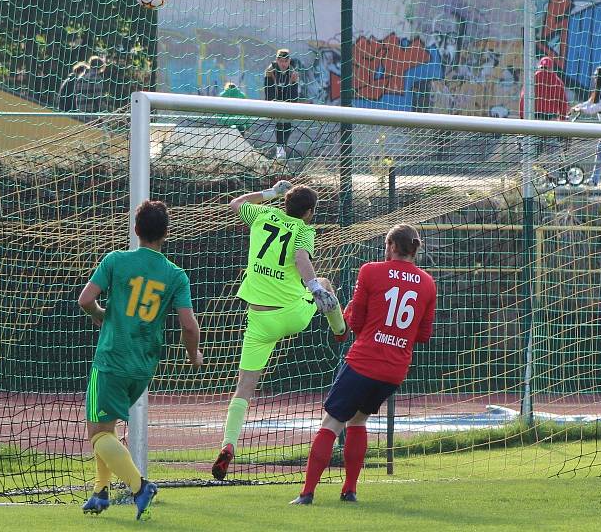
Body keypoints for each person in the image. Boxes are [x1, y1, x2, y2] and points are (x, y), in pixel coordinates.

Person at [290, 223, 436, 505]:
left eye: (386, 245)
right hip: (394, 371)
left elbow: (354, 323)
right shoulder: (428, 283)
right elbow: (423, 335)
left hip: (364, 362)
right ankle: (349, 490)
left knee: (332, 422)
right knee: (358, 420)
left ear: (392, 246)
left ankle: (306, 493)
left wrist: (348, 316)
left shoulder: (371, 270)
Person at [212, 181, 345, 481]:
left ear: (283, 204)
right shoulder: (304, 229)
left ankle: (228, 444)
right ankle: (340, 329)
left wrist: (271, 192)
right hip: (290, 314)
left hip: (258, 320)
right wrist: (313, 286)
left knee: (244, 388)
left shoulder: (261, 216)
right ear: (309, 212)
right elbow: (300, 257)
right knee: (324, 283)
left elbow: (235, 202)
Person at [78, 200, 203, 520]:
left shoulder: (116, 260)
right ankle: (100, 492)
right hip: (143, 366)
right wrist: (193, 355)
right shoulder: (175, 274)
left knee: (98, 434)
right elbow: (189, 326)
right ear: (166, 234)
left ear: (136, 230)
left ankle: (139, 486)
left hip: (112, 359)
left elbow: (86, 300)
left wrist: (100, 315)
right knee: (109, 428)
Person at [519, 56, 569, 158]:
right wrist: (562, 120)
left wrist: (522, 118)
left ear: (540, 66)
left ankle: (529, 172)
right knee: (552, 155)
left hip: (534, 121)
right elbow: (563, 104)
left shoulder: (532, 79)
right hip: (550, 122)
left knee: (530, 154)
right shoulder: (558, 82)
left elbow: (523, 100)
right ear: (551, 67)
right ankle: (551, 172)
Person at [571, 65, 601, 185]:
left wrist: (583, 110)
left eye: (596, 76)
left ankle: (594, 180)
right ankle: (594, 180)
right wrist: (578, 107)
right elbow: (589, 103)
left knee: (600, 151)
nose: (594, 79)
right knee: (600, 151)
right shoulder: (599, 90)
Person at [264, 49, 299, 160]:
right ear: (277, 60)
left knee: (287, 124)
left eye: (285, 61)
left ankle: (283, 146)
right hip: (276, 98)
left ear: (289, 61)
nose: (283, 64)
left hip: (287, 99)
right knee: (280, 123)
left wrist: (292, 103)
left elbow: (294, 93)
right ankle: (279, 146)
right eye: (281, 61)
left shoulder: (293, 72)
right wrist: (271, 103)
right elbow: (268, 90)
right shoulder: (270, 71)